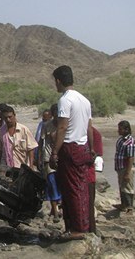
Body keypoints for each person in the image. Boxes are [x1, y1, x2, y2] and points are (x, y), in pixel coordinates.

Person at [50, 65, 94, 241]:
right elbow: (89, 127)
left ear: (59, 81)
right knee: (79, 187)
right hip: (82, 147)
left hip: (70, 147)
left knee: (72, 189)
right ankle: (76, 225)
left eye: (55, 81)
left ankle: (78, 228)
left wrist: (54, 152)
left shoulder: (65, 100)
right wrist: (91, 149)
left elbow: (62, 127)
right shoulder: (84, 100)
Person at [0, 105, 38, 177]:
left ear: (14, 115)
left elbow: (31, 149)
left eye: (10, 117)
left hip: (22, 167)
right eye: (6, 118)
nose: (8, 120)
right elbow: (0, 151)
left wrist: (31, 166)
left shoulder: (24, 130)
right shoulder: (0, 133)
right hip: (7, 168)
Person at [38, 104, 61, 223]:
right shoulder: (47, 126)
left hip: (62, 159)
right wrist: (40, 159)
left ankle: (57, 209)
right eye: (55, 113)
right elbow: (41, 143)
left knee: (61, 183)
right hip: (48, 158)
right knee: (52, 184)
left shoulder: (64, 126)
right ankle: (55, 212)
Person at [113, 120, 135, 215]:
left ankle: (130, 207)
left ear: (126, 129)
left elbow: (130, 157)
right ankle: (123, 205)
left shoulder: (130, 141)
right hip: (120, 167)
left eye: (120, 129)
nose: (118, 131)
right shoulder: (121, 140)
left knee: (128, 187)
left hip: (126, 168)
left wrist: (127, 172)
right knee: (122, 186)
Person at [88, 126, 103, 233]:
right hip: (88, 176)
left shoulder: (92, 132)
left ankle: (91, 229)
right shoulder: (93, 131)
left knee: (88, 203)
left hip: (87, 176)